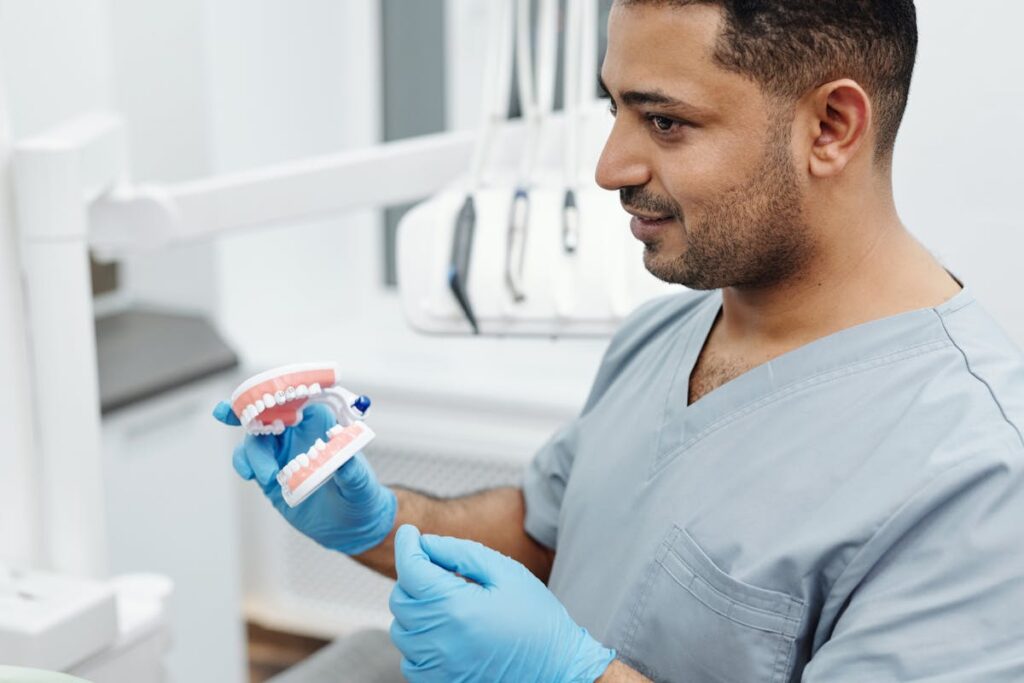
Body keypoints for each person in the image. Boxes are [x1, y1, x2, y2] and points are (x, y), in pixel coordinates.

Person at [215, 1, 1024, 680]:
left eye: (665, 121)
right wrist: (380, 522)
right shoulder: (667, 331)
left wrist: (572, 673)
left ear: (831, 127)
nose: (608, 167)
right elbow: (548, 532)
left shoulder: (978, 477)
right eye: (615, 111)